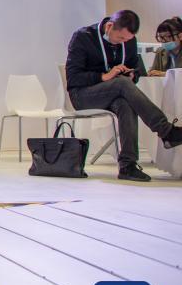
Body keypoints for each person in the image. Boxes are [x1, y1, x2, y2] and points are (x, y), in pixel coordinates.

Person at [66, 10, 182, 182]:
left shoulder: (129, 41)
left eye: (127, 39)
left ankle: (128, 165)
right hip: (83, 95)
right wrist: (103, 76)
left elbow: (137, 68)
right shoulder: (83, 37)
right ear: (109, 26)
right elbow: (73, 78)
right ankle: (165, 130)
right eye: (120, 38)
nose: (123, 42)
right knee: (120, 84)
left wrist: (132, 75)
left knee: (125, 102)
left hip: (115, 93)